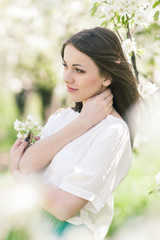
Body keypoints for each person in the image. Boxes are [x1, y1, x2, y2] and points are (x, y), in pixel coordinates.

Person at [10, 27, 140, 240]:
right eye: (65, 66)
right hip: (27, 228)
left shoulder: (113, 132)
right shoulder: (65, 117)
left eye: (78, 70)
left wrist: (16, 175)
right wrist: (84, 122)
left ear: (107, 77)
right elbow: (27, 164)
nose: (67, 78)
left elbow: (64, 207)